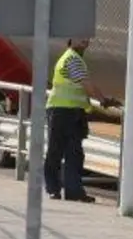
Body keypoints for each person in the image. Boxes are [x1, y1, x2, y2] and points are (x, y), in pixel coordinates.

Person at [43, 37, 106, 203]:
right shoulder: (72, 59)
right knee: (57, 151)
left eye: (87, 37)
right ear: (71, 41)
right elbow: (88, 86)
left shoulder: (76, 59)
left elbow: (84, 87)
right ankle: (54, 189)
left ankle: (73, 191)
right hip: (61, 111)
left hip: (72, 112)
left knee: (74, 153)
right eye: (80, 37)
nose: (85, 40)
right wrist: (104, 100)